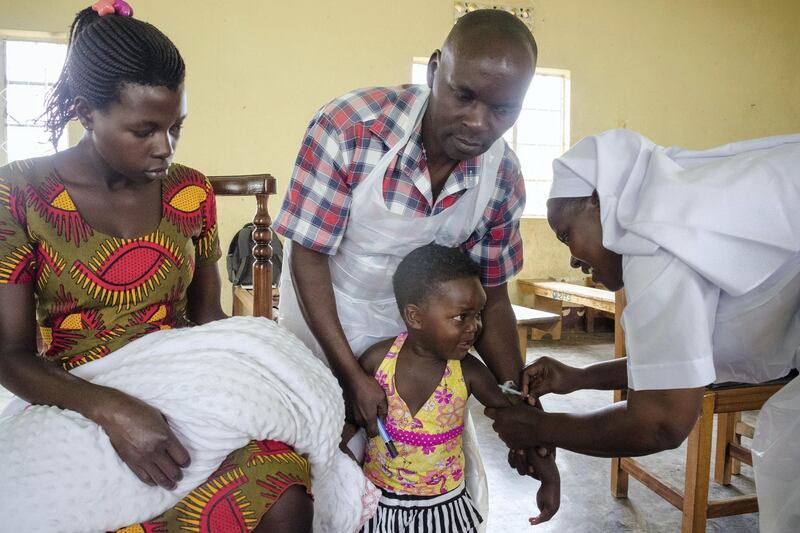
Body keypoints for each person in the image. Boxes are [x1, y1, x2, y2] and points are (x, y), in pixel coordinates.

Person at [0, 4, 313, 531]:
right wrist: (110, 409)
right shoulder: (20, 193)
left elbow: (208, 319)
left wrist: (255, 385)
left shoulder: (190, 192)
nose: (164, 148)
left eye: (176, 128)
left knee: (285, 489)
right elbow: (8, 356)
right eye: (144, 130)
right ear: (86, 111)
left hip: (185, 384)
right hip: (76, 393)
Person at [273, 9, 538, 518]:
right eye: (463, 96)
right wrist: (350, 374)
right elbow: (308, 257)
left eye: (504, 109)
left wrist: (521, 406)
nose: (480, 122)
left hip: (416, 344)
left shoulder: (501, 175)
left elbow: (495, 296)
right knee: (322, 481)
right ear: (435, 70)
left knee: (411, 476)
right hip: (324, 321)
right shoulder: (351, 129)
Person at [485, 128, 800, 533]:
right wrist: (578, 377)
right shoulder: (669, 215)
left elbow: (662, 420)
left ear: (600, 202)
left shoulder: (652, 240)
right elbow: (676, 367)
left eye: (567, 235)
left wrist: (541, 427)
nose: (573, 258)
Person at [355, 243, 559, 532]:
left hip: (445, 512)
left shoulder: (467, 372)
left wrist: (550, 476)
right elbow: (350, 421)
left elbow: (516, 416)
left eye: (478, 315)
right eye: (462, 316)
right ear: (415, 316)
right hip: (380, 507)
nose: (475, 327)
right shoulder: (378, 363)